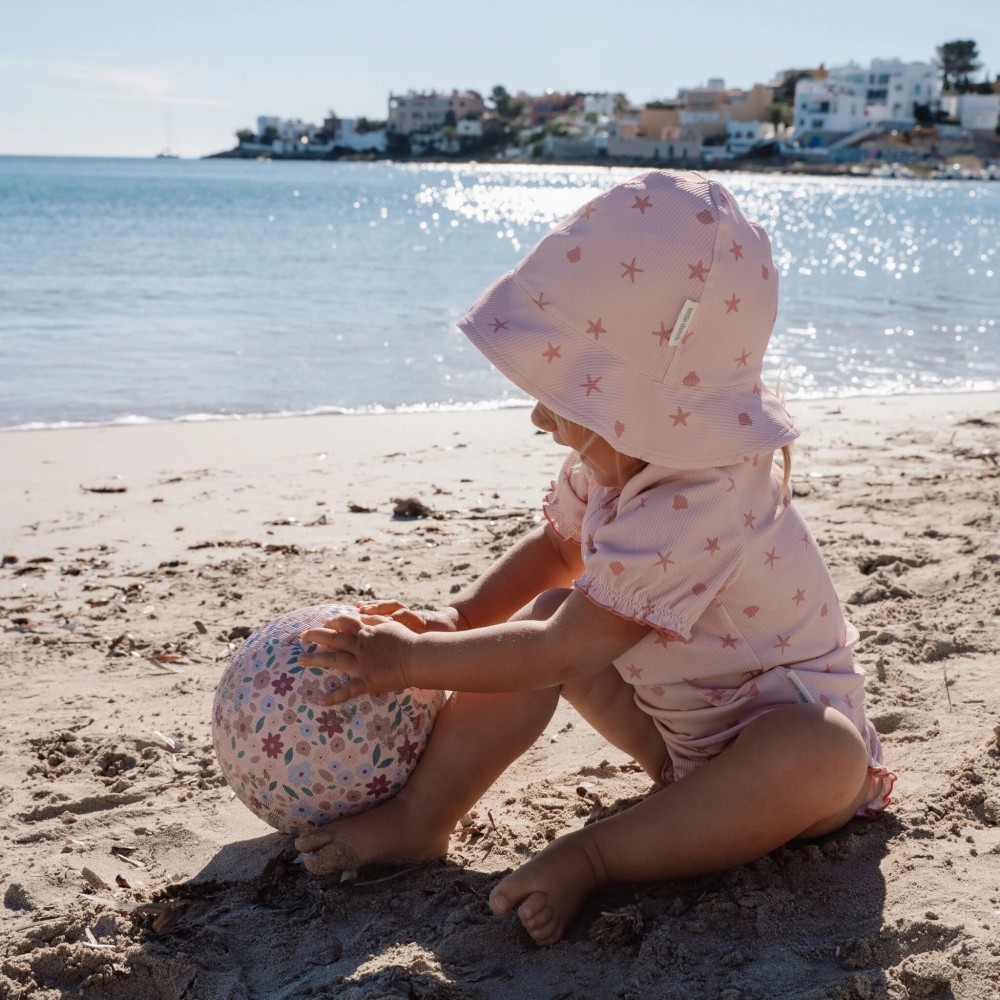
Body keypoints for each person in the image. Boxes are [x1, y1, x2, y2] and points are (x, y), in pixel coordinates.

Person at [294, 170, 895, 946]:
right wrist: (462, 617)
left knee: (818, 750)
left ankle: (599, 855)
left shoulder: (701, 494)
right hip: (682, 746)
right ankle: (422, 816)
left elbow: (567, 650)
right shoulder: (619, 461)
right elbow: (555, 549)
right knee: (544, 610)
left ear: (642, 404)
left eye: (570, 394)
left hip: (788, 780)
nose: (542, 415)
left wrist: (412, 660)